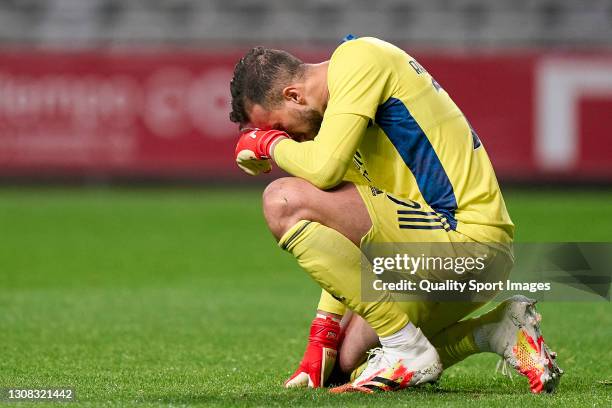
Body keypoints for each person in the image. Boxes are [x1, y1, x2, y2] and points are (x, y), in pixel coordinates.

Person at [229, 35, 562, 393]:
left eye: (280, 126)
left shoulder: (358, 58)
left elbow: (323, 171)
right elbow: (343, 229)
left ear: (294, 95)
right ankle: (497, 331)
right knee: (348, 364)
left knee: (281, 200)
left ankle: (406, 349)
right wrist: (323, 331)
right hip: (439, 256)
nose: (287, 137)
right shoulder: (345, 120)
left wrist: (268, 145)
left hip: (466, 238)